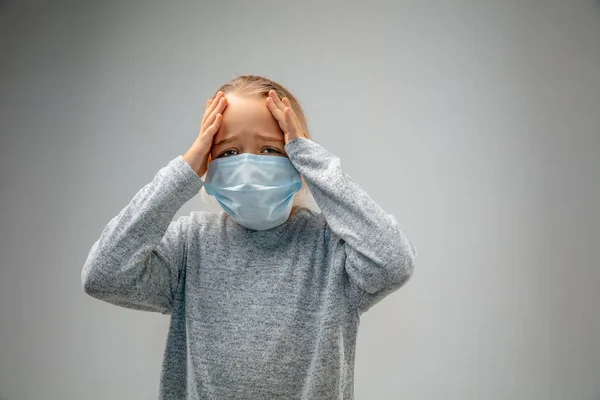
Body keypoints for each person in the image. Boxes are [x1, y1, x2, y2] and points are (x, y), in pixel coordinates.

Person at [81, 75, 417, 400]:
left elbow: (393, 261)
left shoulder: (332, 250)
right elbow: (104, 274)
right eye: (228, 152)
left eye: (271, 149)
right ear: (208, 164)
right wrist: (183, 171)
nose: (249, 166)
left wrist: (312, 160)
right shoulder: (189, 246)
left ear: (297, 160)